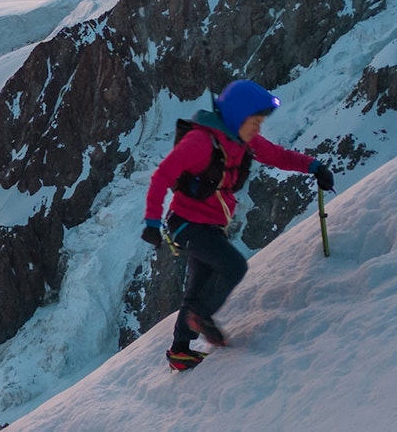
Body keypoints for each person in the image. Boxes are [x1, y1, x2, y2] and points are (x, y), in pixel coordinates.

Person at [141, 79, 335, 370]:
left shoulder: (244, 142)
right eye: (254, 122)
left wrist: (313, 166)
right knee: (233, 266)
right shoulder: (200, 143)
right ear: (236, 117)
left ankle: (180, 351)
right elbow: (162, 176)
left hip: (210, 226)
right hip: (186, 224)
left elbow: (278, 156)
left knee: (198, 286)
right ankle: (200, 316)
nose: (258, 129)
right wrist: (152, 222)